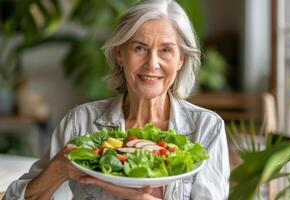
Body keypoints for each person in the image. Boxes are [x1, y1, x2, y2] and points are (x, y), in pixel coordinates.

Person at [4, 0, 230, 199]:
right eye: (140, 48)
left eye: (166, 50)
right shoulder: (81, 122)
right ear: (120, 54)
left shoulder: (206, 128)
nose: (152, 63)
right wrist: (59, 168)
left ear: (181, 60)